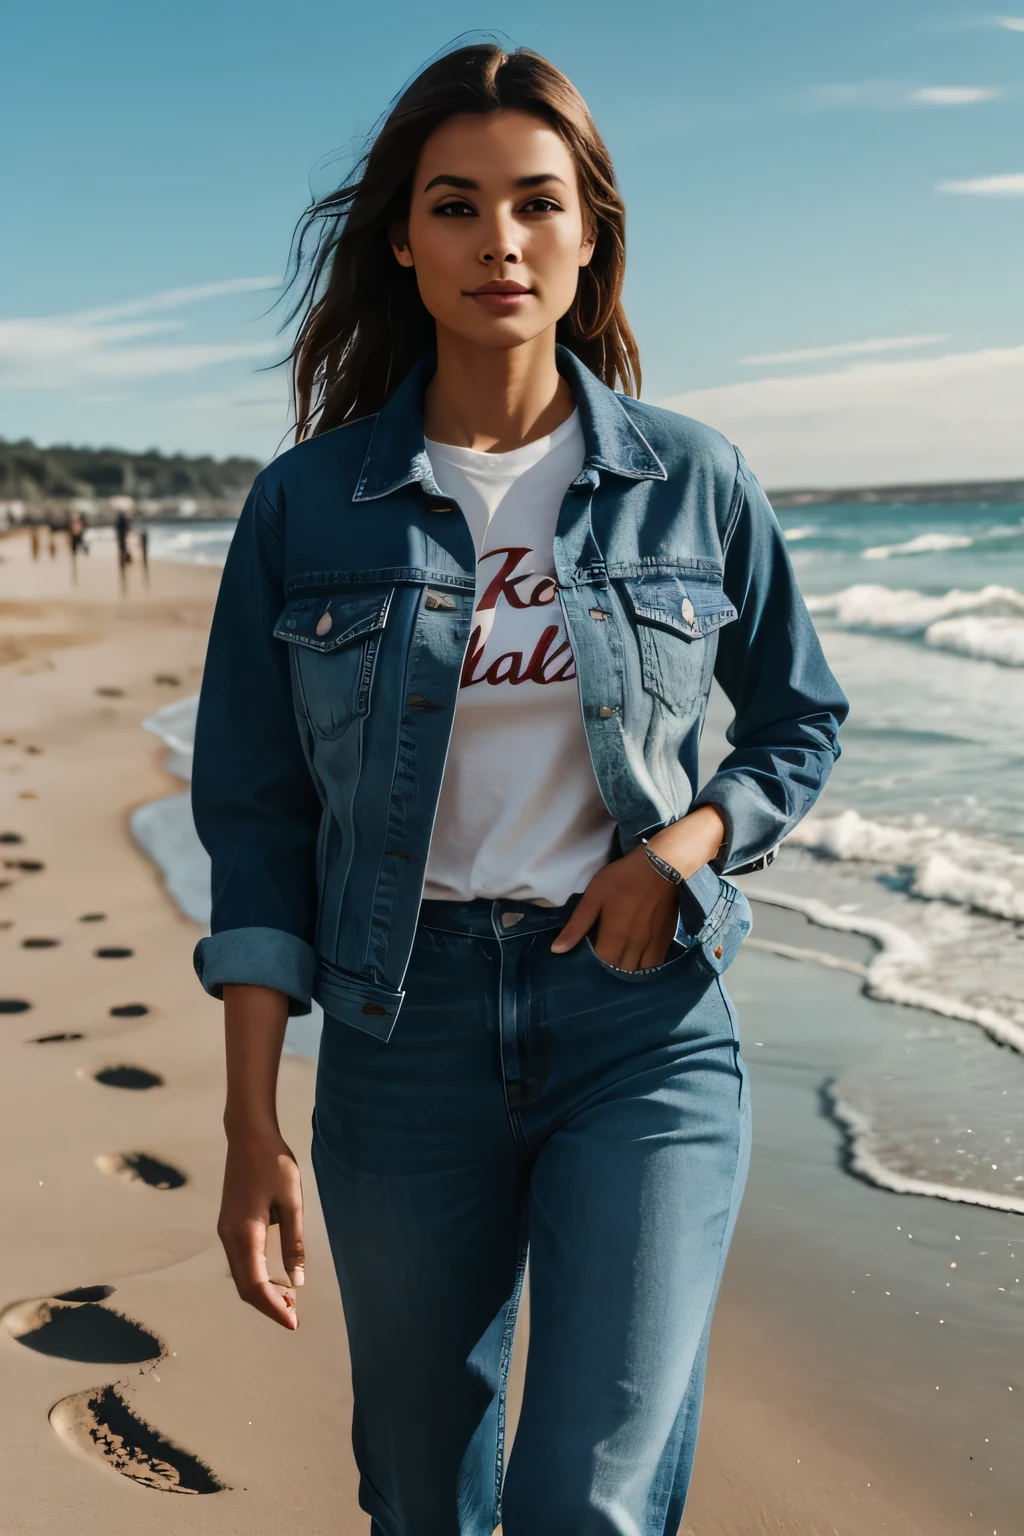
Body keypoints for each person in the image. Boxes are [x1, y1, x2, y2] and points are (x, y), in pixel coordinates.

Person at [190, 42, 849, 1536]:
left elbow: (798, 723)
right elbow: (256, 819)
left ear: (590, 231)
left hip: (643, 1023)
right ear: (404, 242)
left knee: (588, 1501)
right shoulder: (307, 505)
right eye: (457, 204)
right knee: (425, 1497)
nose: (501, 239)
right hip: (397, 1033)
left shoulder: (693, 477)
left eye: (537, 203)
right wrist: (250, 1126)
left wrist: (683, 846)